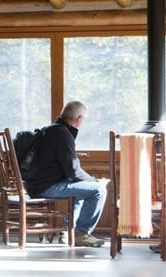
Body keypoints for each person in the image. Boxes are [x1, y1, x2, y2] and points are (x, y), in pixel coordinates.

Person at [24, 100, 107, 247]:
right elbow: (73, 171)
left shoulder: (51, 129)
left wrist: (87, 180)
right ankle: (81, 234)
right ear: (79, 119)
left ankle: (67, 231)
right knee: (98, 190)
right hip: (45, 187)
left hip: (35, 184)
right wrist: (94, 181)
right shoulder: (62, 134)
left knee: (82, 189)